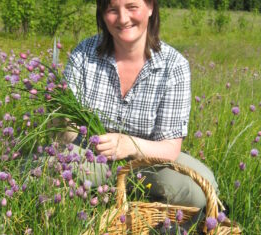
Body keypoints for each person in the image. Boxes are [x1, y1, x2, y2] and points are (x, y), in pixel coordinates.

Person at [62, 0, 218, 211]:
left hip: (147, 161)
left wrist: (128, 145)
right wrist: (94, 144)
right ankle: (98, 202)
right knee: (43, 175)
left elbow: (170, 147)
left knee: (201, 188)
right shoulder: (84, 54)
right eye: (112, 10)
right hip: (91, 156)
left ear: (151, 7)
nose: (123, 18)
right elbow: (67, 127)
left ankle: (140, 207)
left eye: (131, 7)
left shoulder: (174, 66)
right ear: (102, 13)